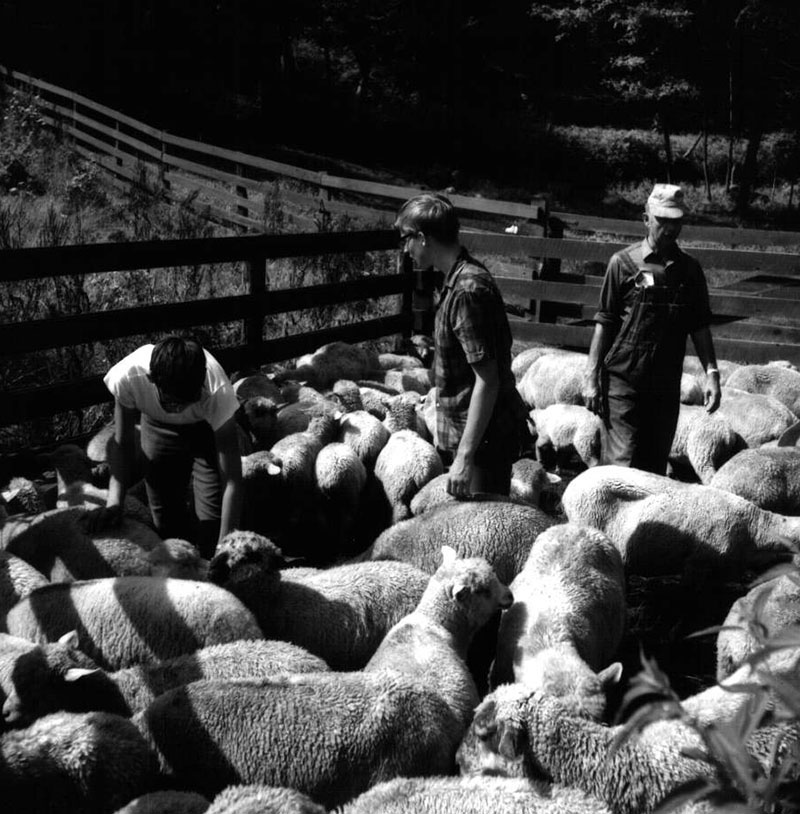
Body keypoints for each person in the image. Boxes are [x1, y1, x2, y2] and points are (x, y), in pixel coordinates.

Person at [395, 193, 529, 497]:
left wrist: (465, 457)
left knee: (480, 536)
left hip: (482, 445)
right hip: (471, 436)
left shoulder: (467, 290)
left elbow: (488, 378)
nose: (405, 249)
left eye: (406, 239)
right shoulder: (457, 280)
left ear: (422, 238)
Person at [582, 183, 721, 474]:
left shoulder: (690, 272)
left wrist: (712, 374)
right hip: (623, 384)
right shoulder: (622, 264)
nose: (670, 229)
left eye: (676, 222)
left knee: (653, 469)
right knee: (622, 467)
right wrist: (591, 378)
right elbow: (605, 321)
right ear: (646, 219)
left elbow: (699, 326)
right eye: (663, 221)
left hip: (665, 386)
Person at [99, 335, 242, 557]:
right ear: (151, 379)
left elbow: (232, 478)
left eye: (190, 399)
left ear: (201, 380)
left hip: (205, 431)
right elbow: (123, 443)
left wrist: (225, 548)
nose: (178, 409)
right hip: (157, 426)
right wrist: (114, 501)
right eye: (172, 402)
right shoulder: (128, 376)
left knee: (211, 522)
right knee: (165, 522)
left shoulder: (216, 390)